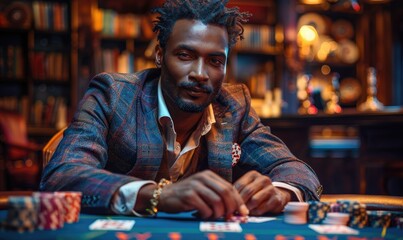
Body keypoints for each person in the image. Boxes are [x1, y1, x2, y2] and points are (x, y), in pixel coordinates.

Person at [40, 0, 322, 219]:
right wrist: (158, 196)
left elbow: (298, 172)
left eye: (214, 61)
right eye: (185, 56)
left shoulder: (234, 106)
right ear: (160, 55)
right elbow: (61, 176)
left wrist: (280, 192)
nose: (200, 73)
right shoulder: (113, 95)